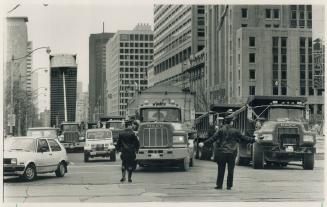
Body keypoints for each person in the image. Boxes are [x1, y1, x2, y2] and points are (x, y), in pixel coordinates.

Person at [199, 117, 254, 190]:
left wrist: (204, 143)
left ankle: (219, 185)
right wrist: (254, 140)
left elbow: (213, 139)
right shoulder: (236, 131)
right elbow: (244, 138)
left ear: (225, 122)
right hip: (232, 153)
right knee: (231, 170)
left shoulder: (220, 130)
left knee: (221, 170)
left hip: (222, 153)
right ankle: (229, 186)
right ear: (231, 122)